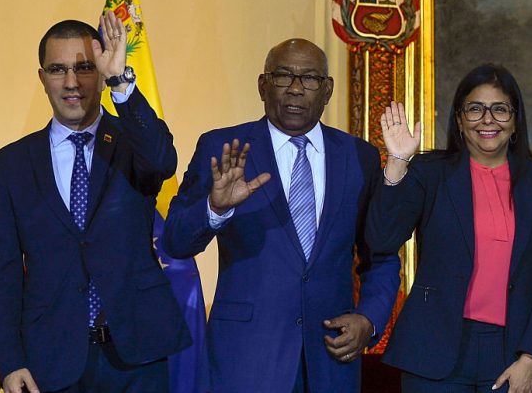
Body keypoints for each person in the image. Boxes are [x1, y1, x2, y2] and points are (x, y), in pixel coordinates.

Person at [163, 38, 401, 392]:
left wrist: (368, 318)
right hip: (246, 359)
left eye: (309, 78)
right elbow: (176, 241)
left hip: (330, 359)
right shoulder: (223, 148)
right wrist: (214, 209)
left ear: (327, 90)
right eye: (283, 76)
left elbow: (380, 255)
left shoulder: (358, 157)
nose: (294, 89)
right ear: (263, 85)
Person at [0, 12, 191, 393]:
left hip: (137, 356)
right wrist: (10, 362)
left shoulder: (132, 144)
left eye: (84, 68)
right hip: (51, 360)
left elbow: (164, 161)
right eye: (58, 70)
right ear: (42, 78)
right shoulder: (10, 164)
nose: (72, 82)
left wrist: (120, 82)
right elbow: (2, 274)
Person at [366, 64, 532, 391]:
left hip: (513, 356)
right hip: (434, 352)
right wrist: (397, 162)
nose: (487, 119)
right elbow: (381, 239)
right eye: (475, 109)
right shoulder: (430, 173)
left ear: (515, 121)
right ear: (460, 120)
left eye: (500, 109)